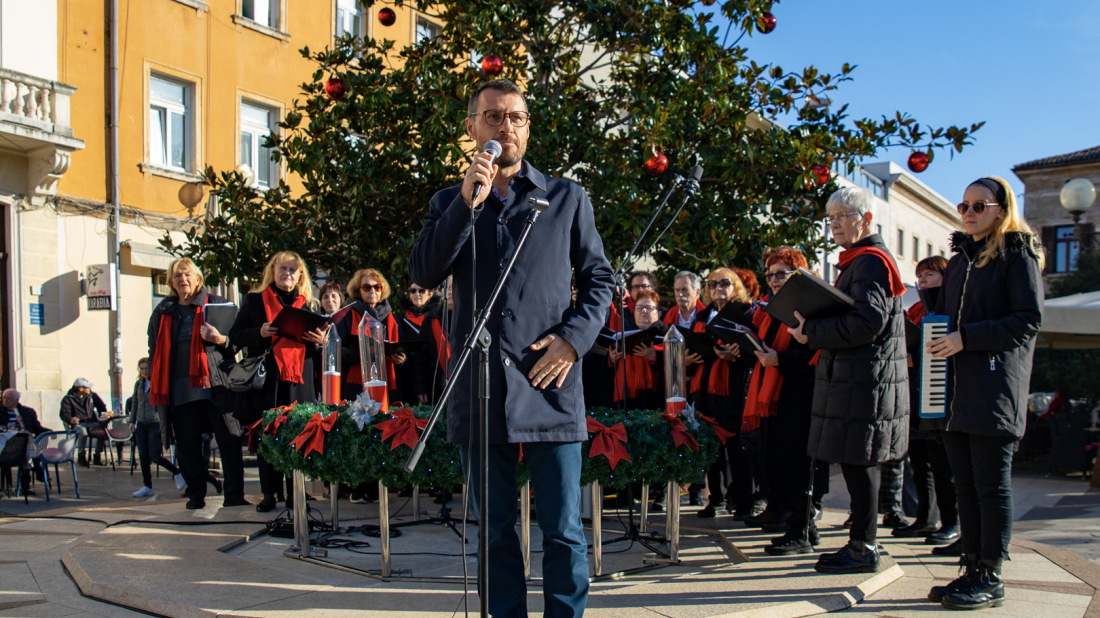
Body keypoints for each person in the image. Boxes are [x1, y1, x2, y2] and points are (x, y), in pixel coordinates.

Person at [409, 78, 614, 617]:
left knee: (565, 529)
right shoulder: (447, 202)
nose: (507, 127)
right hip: (479, 388)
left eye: (517, 118)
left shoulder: (565, 197)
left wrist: (572, 343)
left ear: (528, 127)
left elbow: (599, 281)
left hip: (551, 384)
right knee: (495, 530)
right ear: (472, 128)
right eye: (494, 117)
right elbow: (424, 273)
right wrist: (463, 203)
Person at [925, 176, 1044, 610]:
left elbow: (1027, 320)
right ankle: (972, 566)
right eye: (964, 206)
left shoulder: (1018, 253)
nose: (970, 213)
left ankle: (991, 575)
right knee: (965, 485)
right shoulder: (960, 259)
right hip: (956, 391)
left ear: (1001, 209)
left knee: (991, 486)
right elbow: (948, 321)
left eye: (980, 205)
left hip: (994, 388)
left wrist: (966, 338)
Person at [789, 186, 909, 574]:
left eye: (843, 216)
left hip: (866, 382)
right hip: (860, 380)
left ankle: (863, 547)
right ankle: (861, 543)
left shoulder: (871, 262)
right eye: (832, 217)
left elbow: (866, 323)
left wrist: (813, 332)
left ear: (866, 220)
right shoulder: (860, 260)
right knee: (859, 465)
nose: (835, 223)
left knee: (861, 465)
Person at [147, 258, 247, 510]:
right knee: (187, 445)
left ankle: (234, 495)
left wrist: (221, 339)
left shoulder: (216, 305)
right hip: (179, 390)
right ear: (170, 281)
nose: (183, 279)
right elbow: (153, 348)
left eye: (188, 274)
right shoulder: (162, 312)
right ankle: (195, 495)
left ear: (198, 278)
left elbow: (236, 342)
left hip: (216, 384)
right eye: (178, 275)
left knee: (229, 439)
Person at [231, 251, 326, 513]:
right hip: (268, 382)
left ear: (300, 276)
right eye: (282, 268)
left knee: (297, 435)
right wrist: (259, 333)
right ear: (272, 272)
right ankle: (269, 493)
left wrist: (320, 344)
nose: (287, 273)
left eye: (292, 270)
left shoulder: (309, 305)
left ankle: (296, 492)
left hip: (298, 381)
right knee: (268, 437)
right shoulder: (254, 301)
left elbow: (313, 349)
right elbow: (235, 335)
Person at [741, 248, 820, 555]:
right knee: (784, 463)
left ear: (798, 274)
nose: (773, 279)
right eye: (770, 273)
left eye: (781, 273)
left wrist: (780, 360)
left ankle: (802, 531)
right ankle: (800, 529)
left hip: (800, 394)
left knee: (799, 465)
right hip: (775, 396)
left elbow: (813, 353)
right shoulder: (773, 309)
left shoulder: (808, 307)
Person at [893, 256, 959, 546]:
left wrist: (914, 358)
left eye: (930, 274)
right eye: (920, 275)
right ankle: (925, 518)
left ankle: (951, 523)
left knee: (942, 466)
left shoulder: (950, 308)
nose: (922, 281)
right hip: (915, 397)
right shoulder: (917, 309)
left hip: (938, 396)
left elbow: (942, 352)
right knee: (920, 463)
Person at [695, 268, 757, 519]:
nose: (718, 287)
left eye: (725, 283)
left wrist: (736, 355)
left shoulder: (745, 312)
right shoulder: (704, 314)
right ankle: (716, 499)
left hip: (736, 387)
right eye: (712, 283)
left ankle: (744, 502)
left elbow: (755, 351)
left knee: (737, 449)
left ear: (737, 286)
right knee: (712, 448)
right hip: (708, 387)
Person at [331, 269, 405, 405]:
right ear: (358, 290)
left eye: (377, 287)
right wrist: (364, 352)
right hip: (354, 388)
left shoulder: (392, 318)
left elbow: (403, 349)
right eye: (366, 287)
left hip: (386, 387)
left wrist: (401, 359)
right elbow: (336, 353)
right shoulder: (346, 315)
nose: (373, 291)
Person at [608, 289, 666, 410]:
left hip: (657, 399)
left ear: (659, 314)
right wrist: (611, 360)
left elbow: (675, 365)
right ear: (634, 312)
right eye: (639, 308)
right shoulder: (624, 335)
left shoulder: (667, 335)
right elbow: (608, 370)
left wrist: (654, 358)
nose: (643, 311)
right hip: (627, 401)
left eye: (648, 308)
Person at [396, 283, 449, 405]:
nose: (417, 294)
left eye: (421, 291)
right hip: (408, 374)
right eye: (413, 291)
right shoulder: (400, 319)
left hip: (434, 376)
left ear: (430, 294)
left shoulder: (437, 316)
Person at [59, 378, 108, 466]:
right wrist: (71, 419)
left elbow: (102, 407)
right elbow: (64, 413)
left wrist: (103, 415)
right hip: (78, 424)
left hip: (92, 422)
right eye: (87, 387)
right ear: (80, 389)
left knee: (103, 431)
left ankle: (97, 455)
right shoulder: (68, 399)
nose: (90, 389)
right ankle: (81, 456)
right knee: (83, 432)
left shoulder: (92, 396)